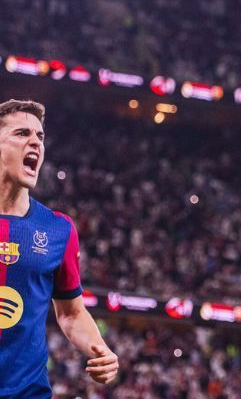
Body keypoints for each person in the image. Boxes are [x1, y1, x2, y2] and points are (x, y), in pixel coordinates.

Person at [0, 99, 119, 396]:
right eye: (22, 134)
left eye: (40, 136)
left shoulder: (58, 229)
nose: (35, 143)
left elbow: (71, 313)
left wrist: (100, 350)